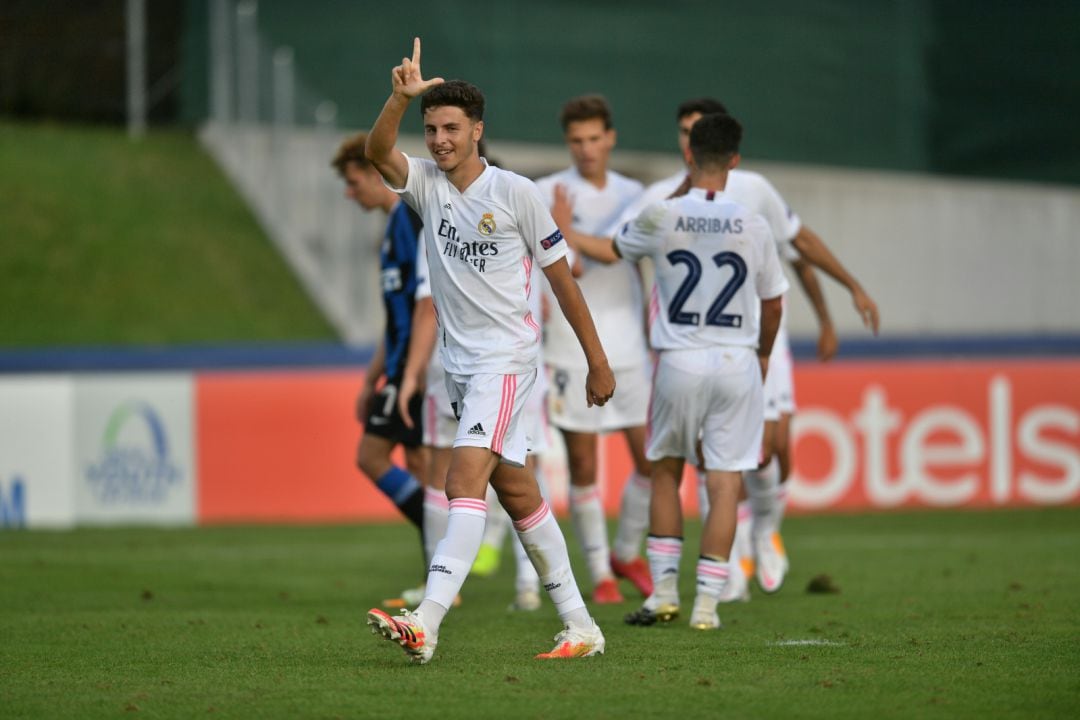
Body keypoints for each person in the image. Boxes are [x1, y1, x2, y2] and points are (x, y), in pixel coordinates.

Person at [363, 38, 614, 664]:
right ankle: (581, 625)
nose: (439, 139)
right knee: (520, 494)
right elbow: (376, 153)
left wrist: (597, 359)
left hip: (505, 361)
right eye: (431, 128)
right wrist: (398, 100)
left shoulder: (515, 194)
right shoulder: (424, 185)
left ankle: (427, 620)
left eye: (451, 128)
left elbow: (562, 279)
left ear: (478, 130)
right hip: (461, 365)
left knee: (460, 478)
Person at [569, 98, 880, 598]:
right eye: (684, 130)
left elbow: (800, 248)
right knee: (721, 461)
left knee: (767, 449)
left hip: (753, 338)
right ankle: (727, 566)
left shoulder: (754, 192)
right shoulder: (661, 196)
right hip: (724, 346)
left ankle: (760, 532)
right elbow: (611, 245)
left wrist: (843, 295)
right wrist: (568, 232)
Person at [613, 112, 787, 629]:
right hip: (737, 359)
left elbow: (620, 247)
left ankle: (664, 592)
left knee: (666, 471)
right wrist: (761, 353)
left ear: (688, 157)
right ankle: (707, 606)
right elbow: (774, 303)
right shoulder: (753, 224)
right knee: (726, 481)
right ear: (734, 161)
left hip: (679, 360)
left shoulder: (662, 215)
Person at [533, 95, 653, 603]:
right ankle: (602, 574)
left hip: (629, 345)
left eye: (594, 138)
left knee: (652, 459)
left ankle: (627, 549)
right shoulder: (543, 192)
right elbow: (569, 271)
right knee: (584, 467)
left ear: (611, 138)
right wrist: (562, 232)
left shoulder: (637, 195)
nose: (586, 149)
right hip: (568, 347)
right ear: (568, 143)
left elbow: (616, 254)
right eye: (576, 141)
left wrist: (567, 229)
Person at [331, 132, 428, 587]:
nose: (350, 194)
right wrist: (372, 379)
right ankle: (442, 562)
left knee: (383, 456)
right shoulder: (392, 227)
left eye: (353, 182)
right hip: (400, 364)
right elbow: (393, 320)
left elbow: (425, 306)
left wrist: (412, 371)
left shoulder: (410, 220)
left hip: (419, 366)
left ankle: (444, 561)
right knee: (412, 461)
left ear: (375, 173)